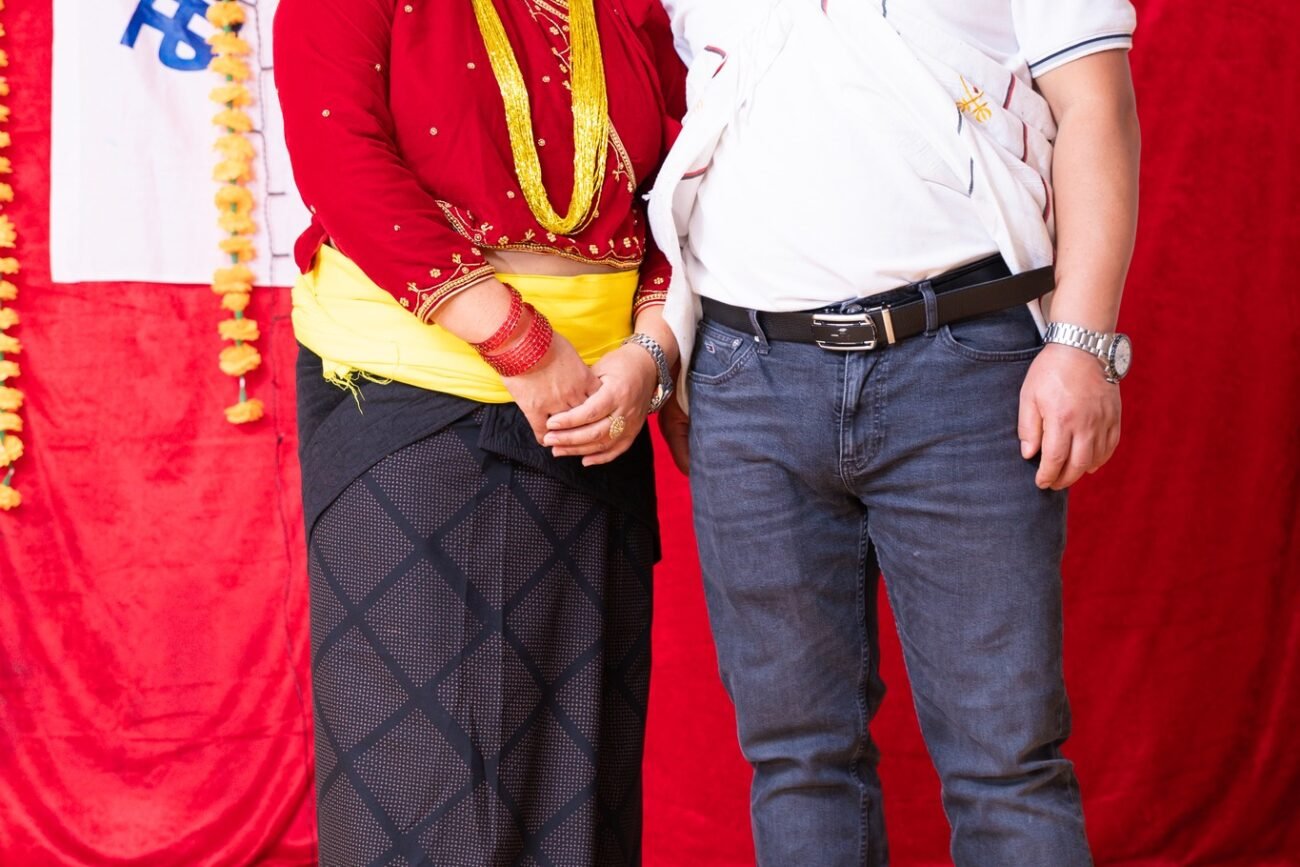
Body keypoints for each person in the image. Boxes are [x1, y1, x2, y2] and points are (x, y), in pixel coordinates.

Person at [648, 0, 1139, 863]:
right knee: (796, 757)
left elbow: (1096, 106)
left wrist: (1082, 343)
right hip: (745, 370)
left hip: (962, 357)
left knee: (1005, 759)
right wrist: (676, 348)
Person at [273, 0, 683, 863]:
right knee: (417, 776)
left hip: (597, 406)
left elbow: (684, 186)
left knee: (577, 781)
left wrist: (651, 352)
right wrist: (522, 344)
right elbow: (342, 156)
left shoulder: (631, 9)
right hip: (411, 399)